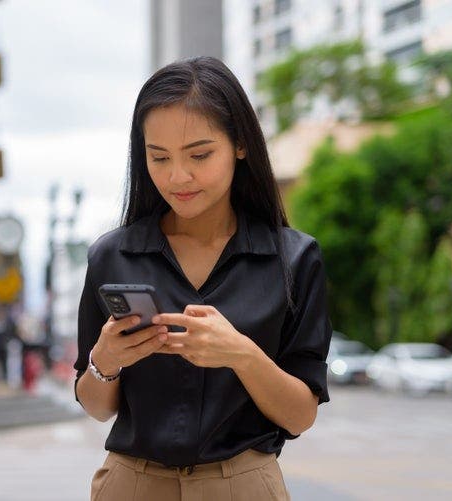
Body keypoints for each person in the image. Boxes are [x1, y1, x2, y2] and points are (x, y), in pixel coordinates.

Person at [74, 57, 332, 500]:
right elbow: (98, 408)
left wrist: (241, 355)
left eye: (199, 154)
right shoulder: (112, 256)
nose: (178, 177)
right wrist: (106, 359)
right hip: (131, 485)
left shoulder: (293, 258)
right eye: (159, 157)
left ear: (239, 144)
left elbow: (300, 416)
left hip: (243, 485)